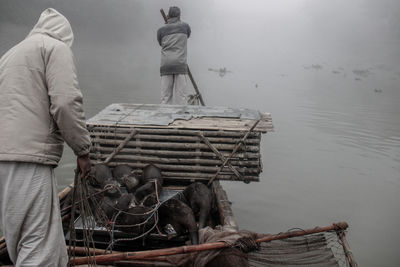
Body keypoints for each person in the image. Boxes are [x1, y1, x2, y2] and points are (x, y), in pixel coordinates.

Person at [0, 8, 91, 266]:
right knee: (38, 247)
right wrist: (83, 151)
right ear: (66, 35)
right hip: (31, 160)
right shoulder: (56, 48)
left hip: (4, 161)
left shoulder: (10, 54)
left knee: (19, 239)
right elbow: (64, 103)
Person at [157, 6, 191, 104]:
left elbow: (160, 43)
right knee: (182, 97)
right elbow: (187, 35)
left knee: (166, 97)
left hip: (166, 65)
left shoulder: (161, 30)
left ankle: (165, 117)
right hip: (180, 65)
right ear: (179, 15)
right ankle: (182, 118)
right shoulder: (185, 26)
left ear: (168, 15)